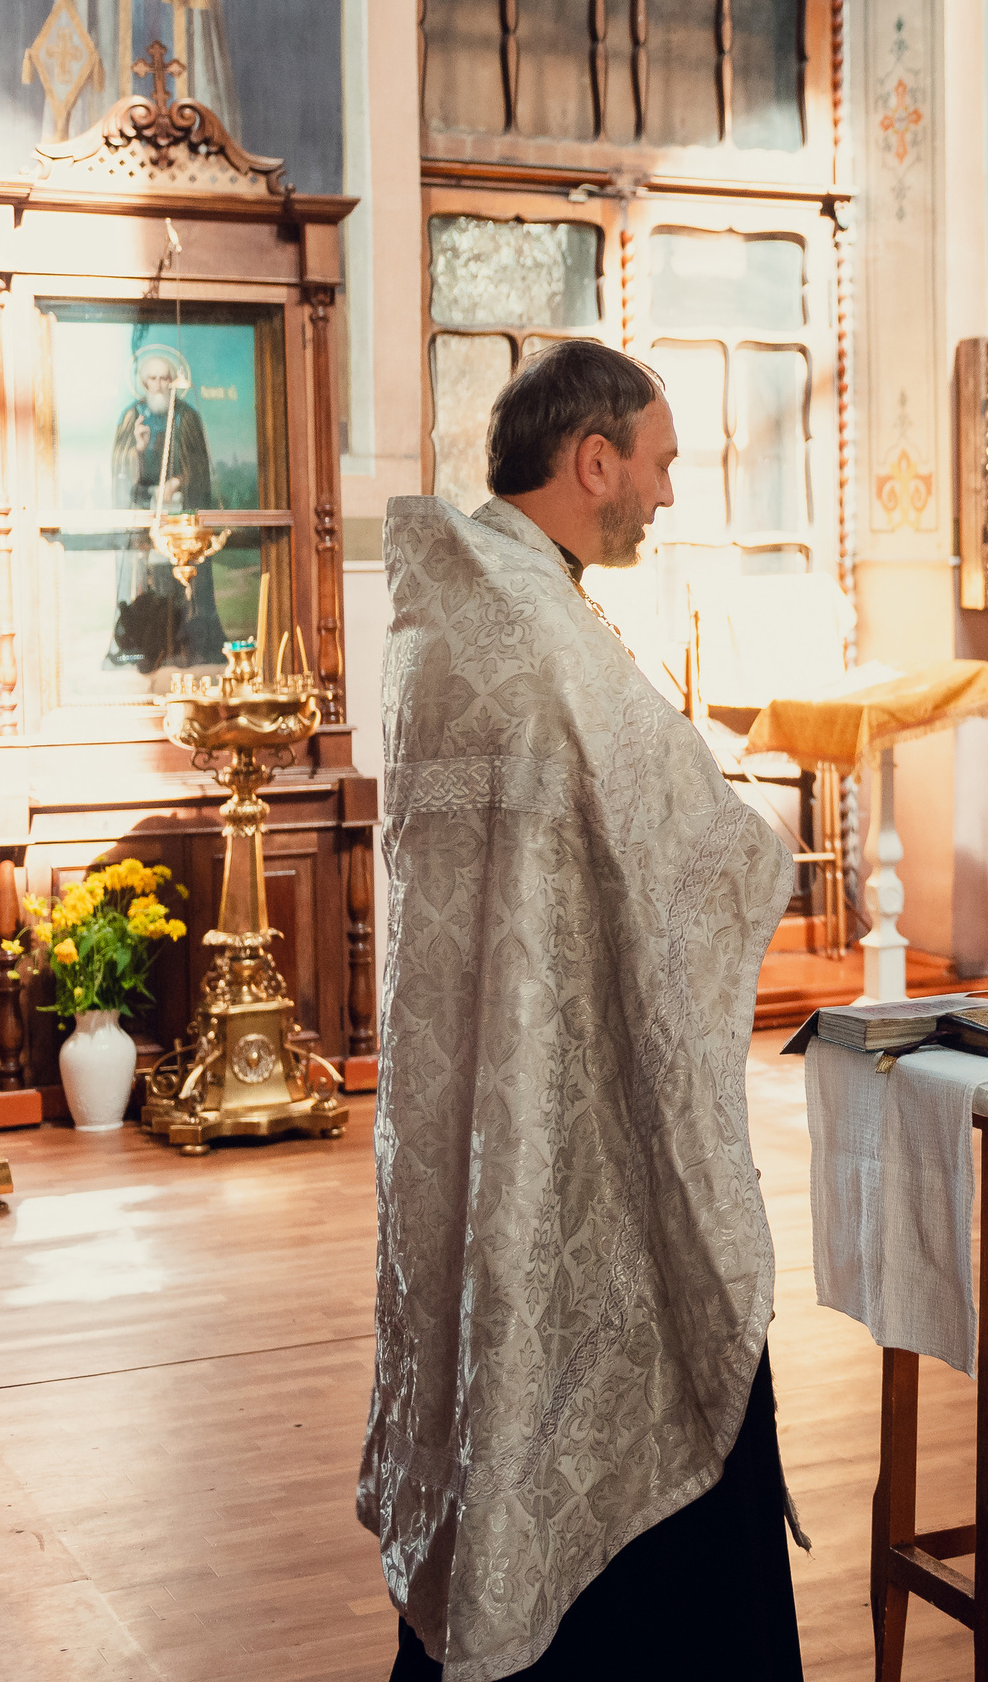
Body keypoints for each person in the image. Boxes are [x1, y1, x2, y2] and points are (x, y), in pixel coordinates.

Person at [364, 341, 803, 1682]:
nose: (667, 494)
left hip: (493, 1092)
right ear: (592, 458)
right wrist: (764, 843)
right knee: (644, 1343)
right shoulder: (536, 627)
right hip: (580, 1111)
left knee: (498, 1361)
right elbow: (690, 840)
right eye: (658, 463)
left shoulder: (464, 604)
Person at [110, 346, 216, 511]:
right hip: (141, 506)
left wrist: (178, 481)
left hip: (180, 505)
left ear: (172, 381)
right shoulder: (132, 416)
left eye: (164, 378)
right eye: (153, 379)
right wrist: (139, 449)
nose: (158, 385)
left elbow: (199, 465)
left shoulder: (186, 416)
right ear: (145, 383)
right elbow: (120, 465)